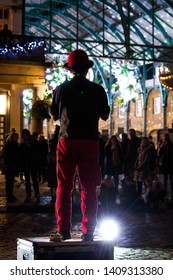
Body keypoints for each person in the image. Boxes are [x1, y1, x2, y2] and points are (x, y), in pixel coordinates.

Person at [50, 49, 110, 242]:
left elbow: (55, 117)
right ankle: (88, 231)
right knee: (89, 188)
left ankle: (64, 230)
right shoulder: (98, 89)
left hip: (67, 140)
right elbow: (105, 115)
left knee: (64, 187)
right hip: (90, 142)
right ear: (86, 70)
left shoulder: (60, 89)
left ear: (70, 70)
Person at [19, 129, 40, 203]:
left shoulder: (33, 142)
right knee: (27, 181)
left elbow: (37, 151)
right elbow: (21, 154)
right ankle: (28, 195)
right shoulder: (22, 143)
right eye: (24, 135)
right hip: (26, 164)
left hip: (33, 163)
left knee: (34, 180)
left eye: (26, 135)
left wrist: (30, 147)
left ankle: (37, 194)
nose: (25, 137)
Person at [2, 132, 20, 202]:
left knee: (10, 181)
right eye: (15, 137)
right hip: (10, 165)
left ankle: (10, 195)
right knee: (9, 181)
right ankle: (9, 195)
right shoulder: (10, 144)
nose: (16, 138)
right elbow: (6, 155)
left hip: (12, 165)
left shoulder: (13, 144)